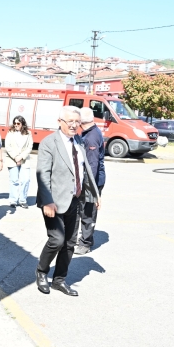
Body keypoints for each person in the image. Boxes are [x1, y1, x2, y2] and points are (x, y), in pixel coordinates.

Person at [35, 106, 100, 296]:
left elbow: (85, 170)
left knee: (70, 243)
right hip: (53, 200)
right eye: (70, 121)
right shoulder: (49, 143)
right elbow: (42, 174)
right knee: (57, 240)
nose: (74, 125)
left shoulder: (79, 141)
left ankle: (59, 280)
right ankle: (41, 272)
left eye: (77, 122)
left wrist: (95, 195)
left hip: (75, 199)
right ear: (60, 122)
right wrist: (47, 201)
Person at [75, 107, 106, 255]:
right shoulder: (88, 132)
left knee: (88, 212)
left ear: (81, 121)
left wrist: (89, 187)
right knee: (83, 210)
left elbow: (92, 165)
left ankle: (85, 243)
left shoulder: (92, 136)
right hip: (89, 180)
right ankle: (86, 239)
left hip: (92, 181)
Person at [5, 116, 33, 209]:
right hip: (12, 159)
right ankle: (13, 200)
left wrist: (21, 157)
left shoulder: (28, 133)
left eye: (18, 123)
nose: (16, 125)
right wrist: (16, 157)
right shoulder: (10, 133)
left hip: (24, 160)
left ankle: (23, 200)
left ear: (22, 124)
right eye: (15, 123)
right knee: (14, 180)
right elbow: (7, 146)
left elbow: (30, 147)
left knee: (25, 180)